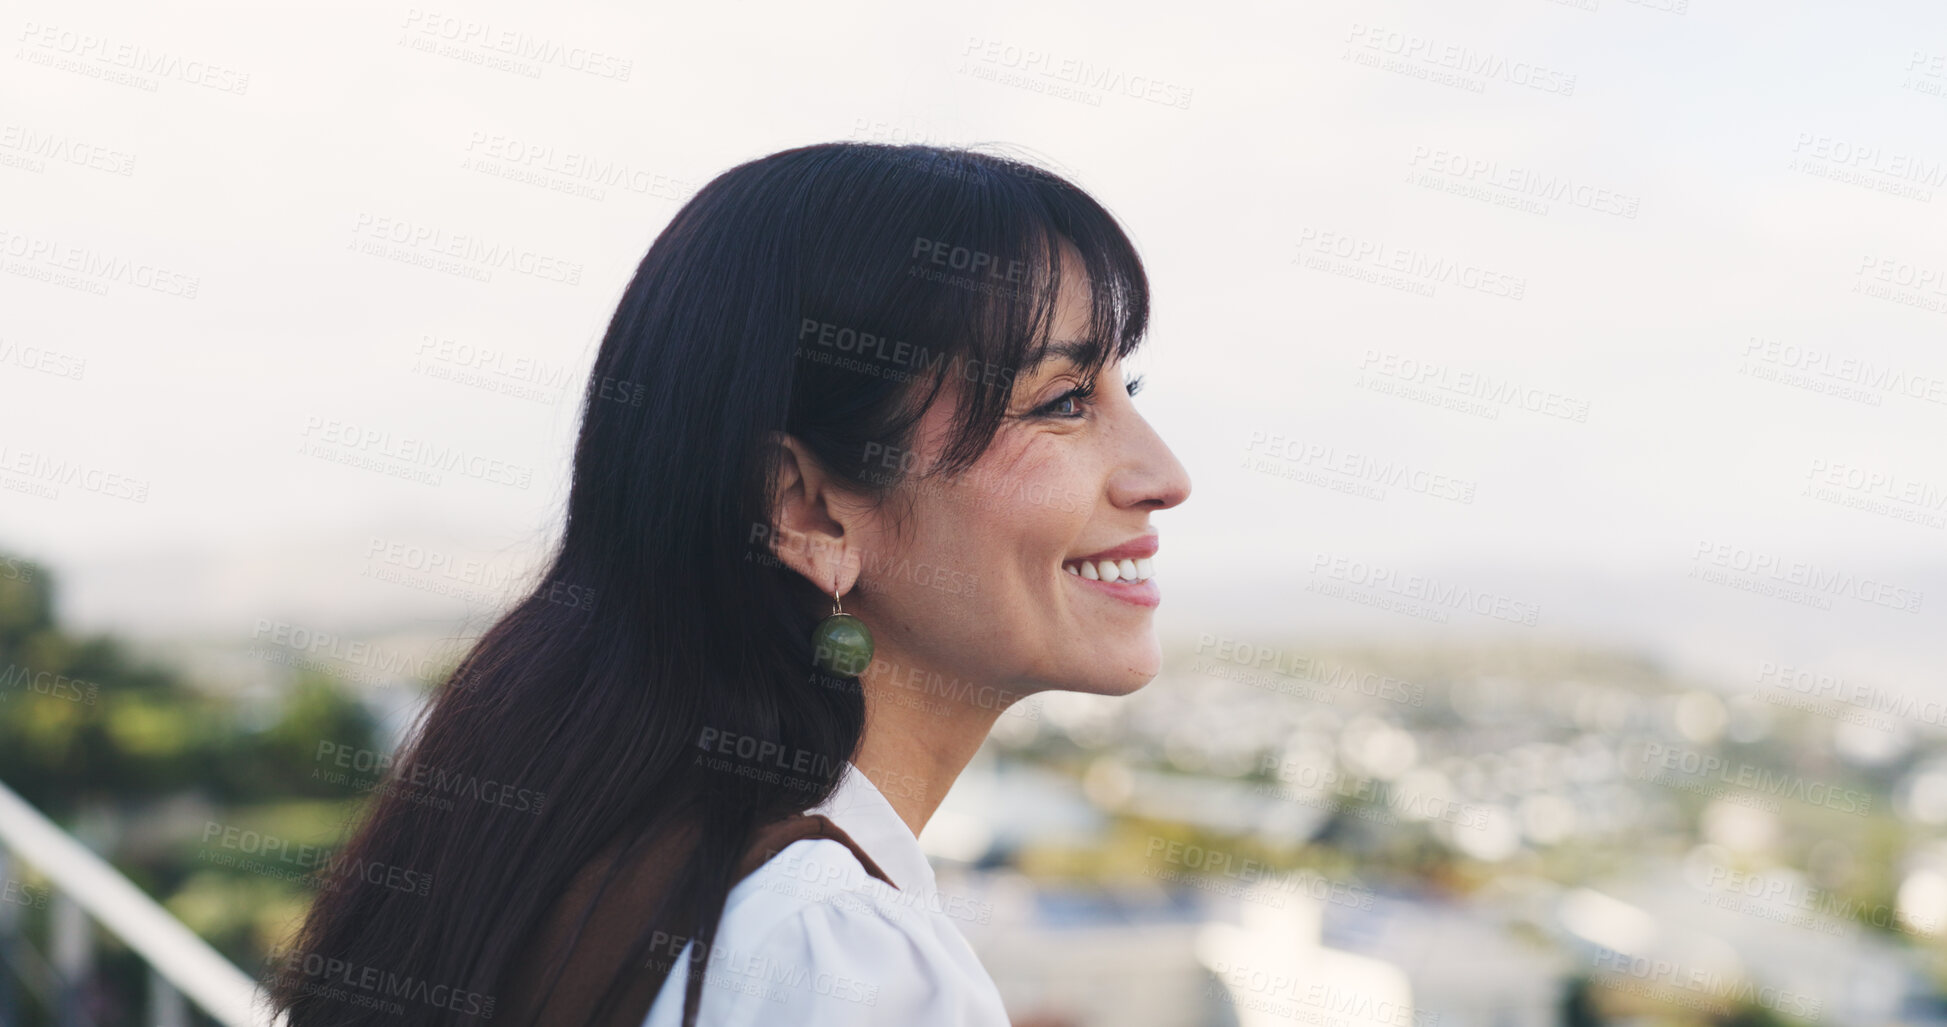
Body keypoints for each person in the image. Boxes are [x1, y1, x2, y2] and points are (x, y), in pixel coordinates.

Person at [267, 141, 1191, 1027]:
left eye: (1126, 395)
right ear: (807, 512)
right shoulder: (836, 957)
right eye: (1062, 402)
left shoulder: (573, 824)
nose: (1164, 476)